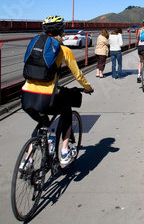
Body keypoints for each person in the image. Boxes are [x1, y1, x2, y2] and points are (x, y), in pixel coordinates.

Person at [21, 15, 94, 166]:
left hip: (26, 96)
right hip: (46, 97)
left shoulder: (35, 46)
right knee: (66, 110)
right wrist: (87, 88)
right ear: (62, 31)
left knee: (42, 122)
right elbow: (78, 74)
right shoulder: (64, 50)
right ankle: (65, 151)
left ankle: (27, 160)